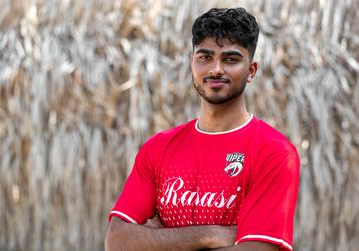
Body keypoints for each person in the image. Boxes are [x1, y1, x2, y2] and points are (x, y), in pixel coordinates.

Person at [105, 7, 300, 251]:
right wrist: (212, 235)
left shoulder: (273, 153)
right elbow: (117, 241)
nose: (216, 69)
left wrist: (159, 239)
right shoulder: (158, 148)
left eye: (230, 59)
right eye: (205, 57)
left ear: (251, 71)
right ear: (192, 63)